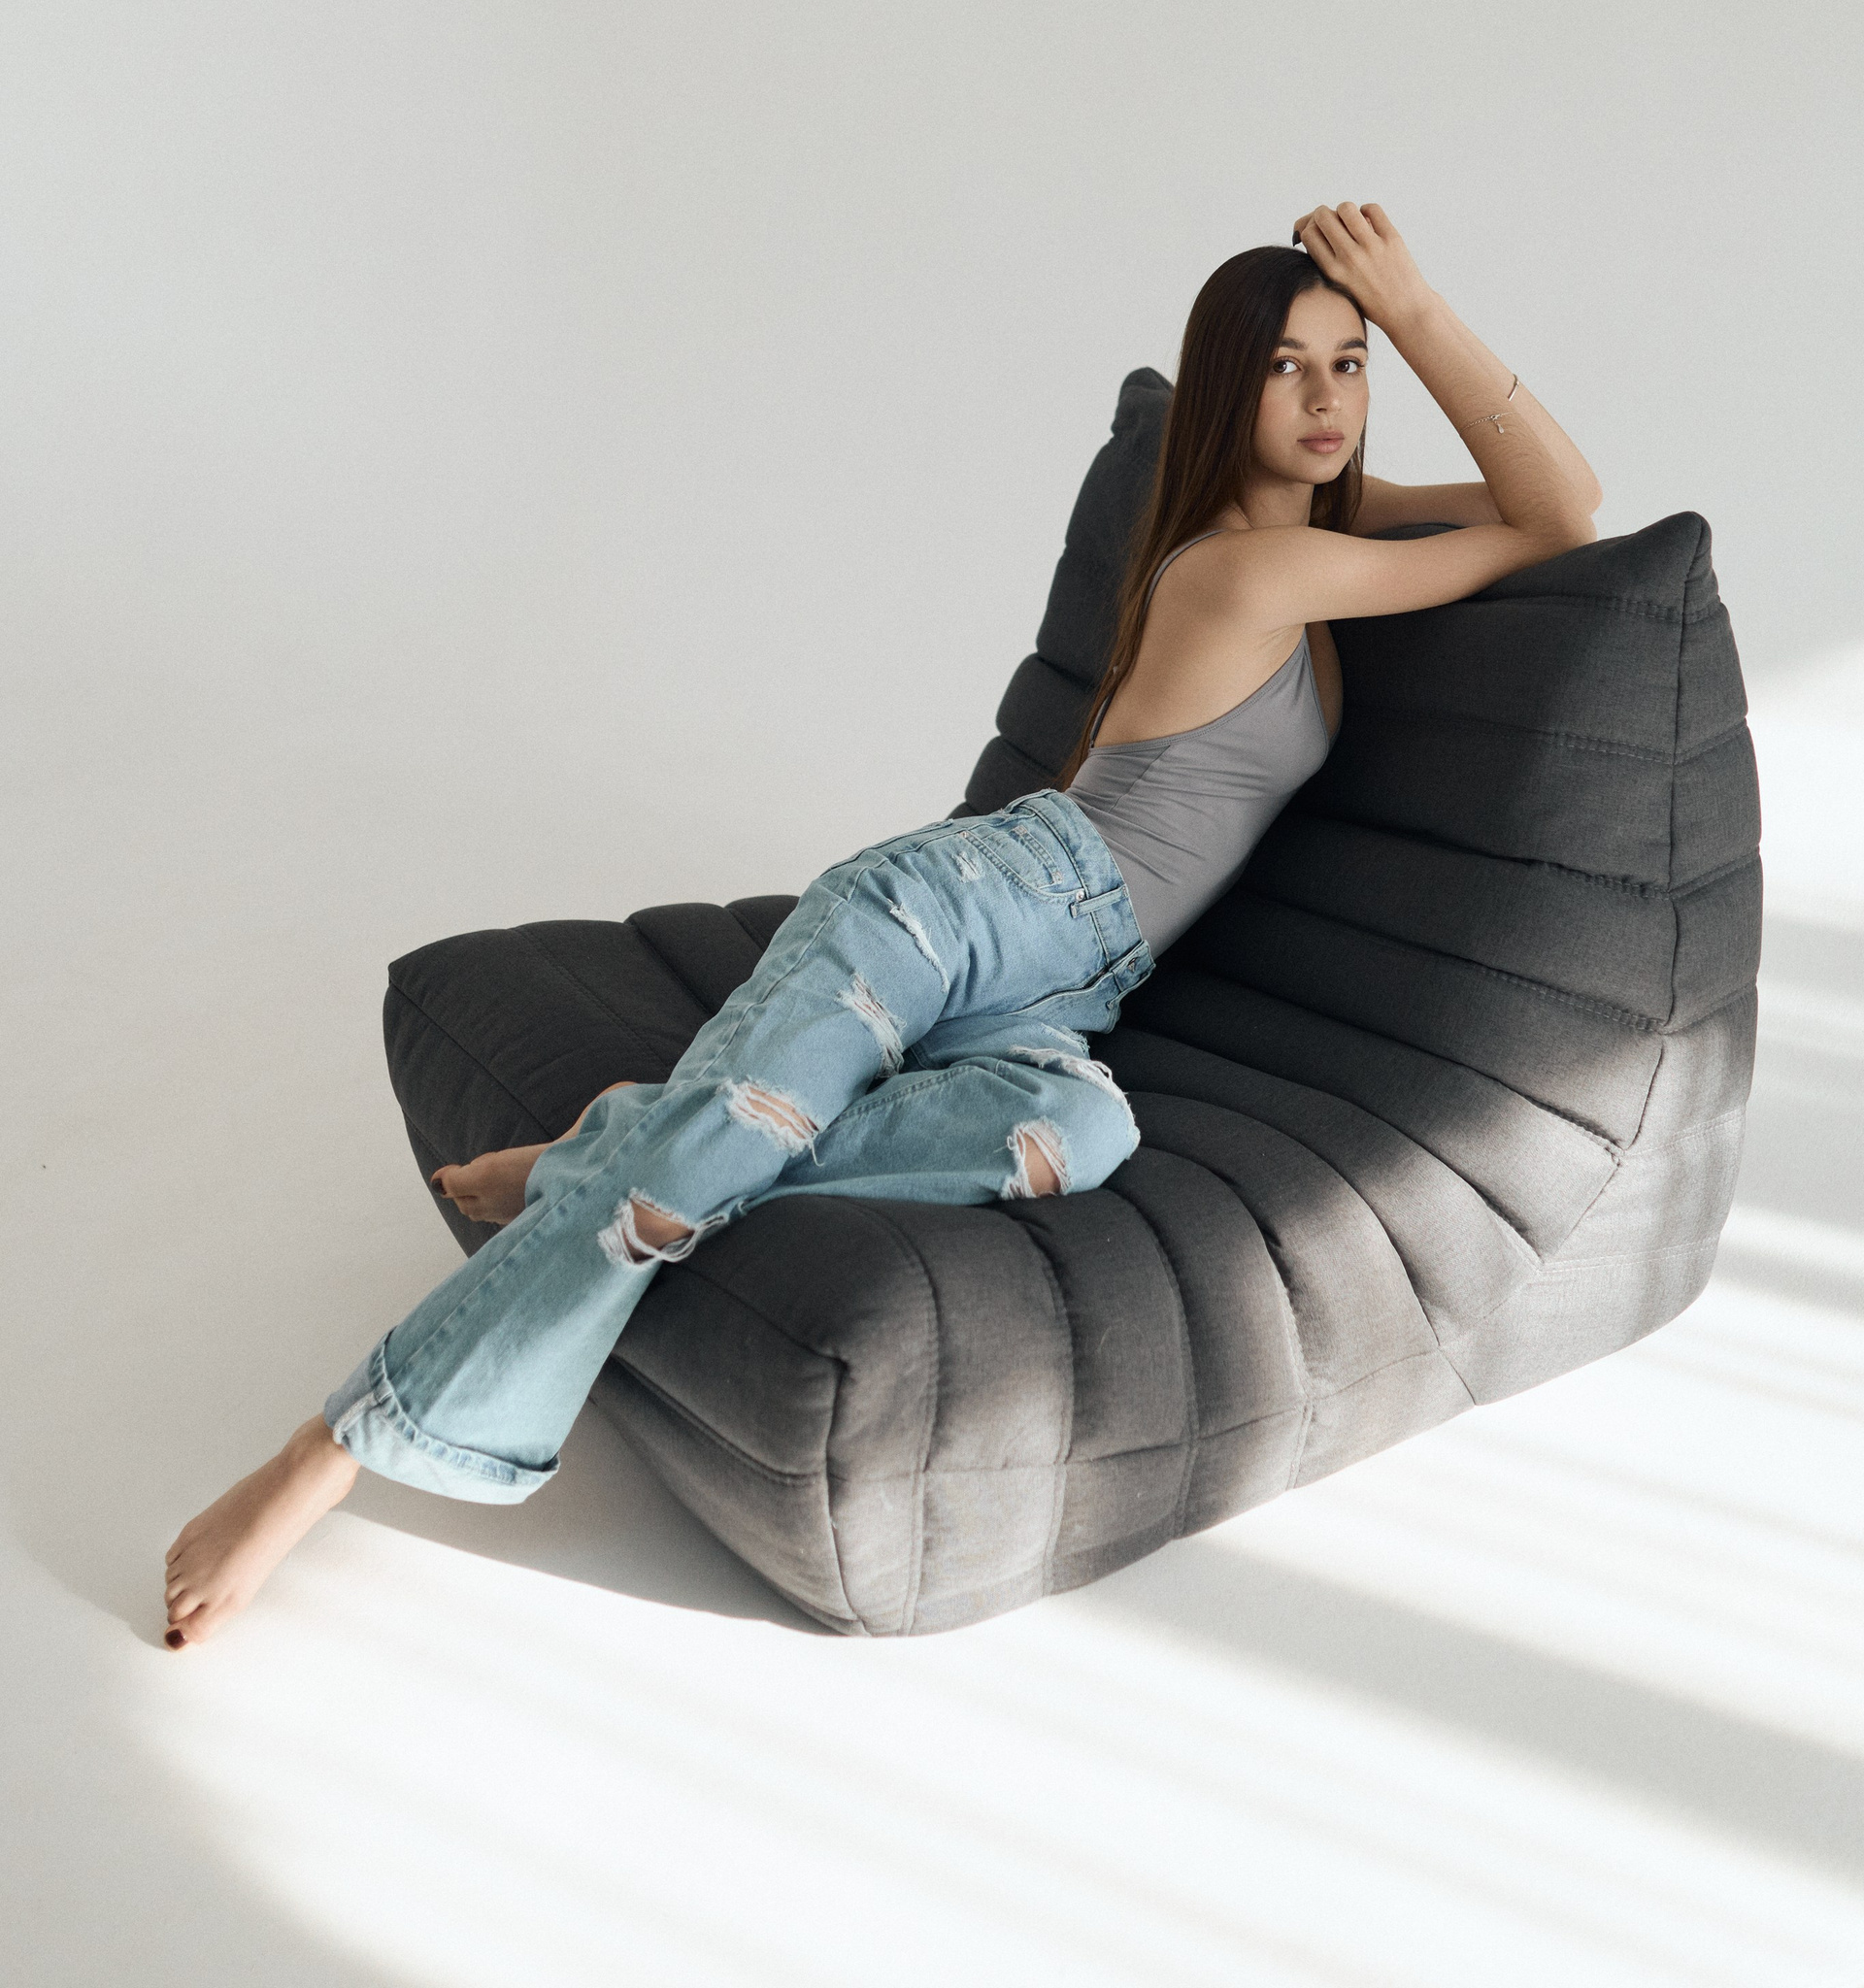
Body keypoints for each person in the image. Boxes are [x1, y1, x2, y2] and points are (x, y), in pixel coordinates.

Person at [162, 201, 1600, 1646]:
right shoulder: (1247, 565)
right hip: (972, 905)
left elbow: (1559, 505)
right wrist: (1414, 301)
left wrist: (1404, 311)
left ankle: (628, 1139)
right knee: (681, 1187)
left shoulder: (1329, 527)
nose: (1327, 398)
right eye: (1289, 367)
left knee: (1079, 1134)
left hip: (1073, 985)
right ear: (1232, 387)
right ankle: (326, 1455)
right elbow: (1551, 515)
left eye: (1352, 362)